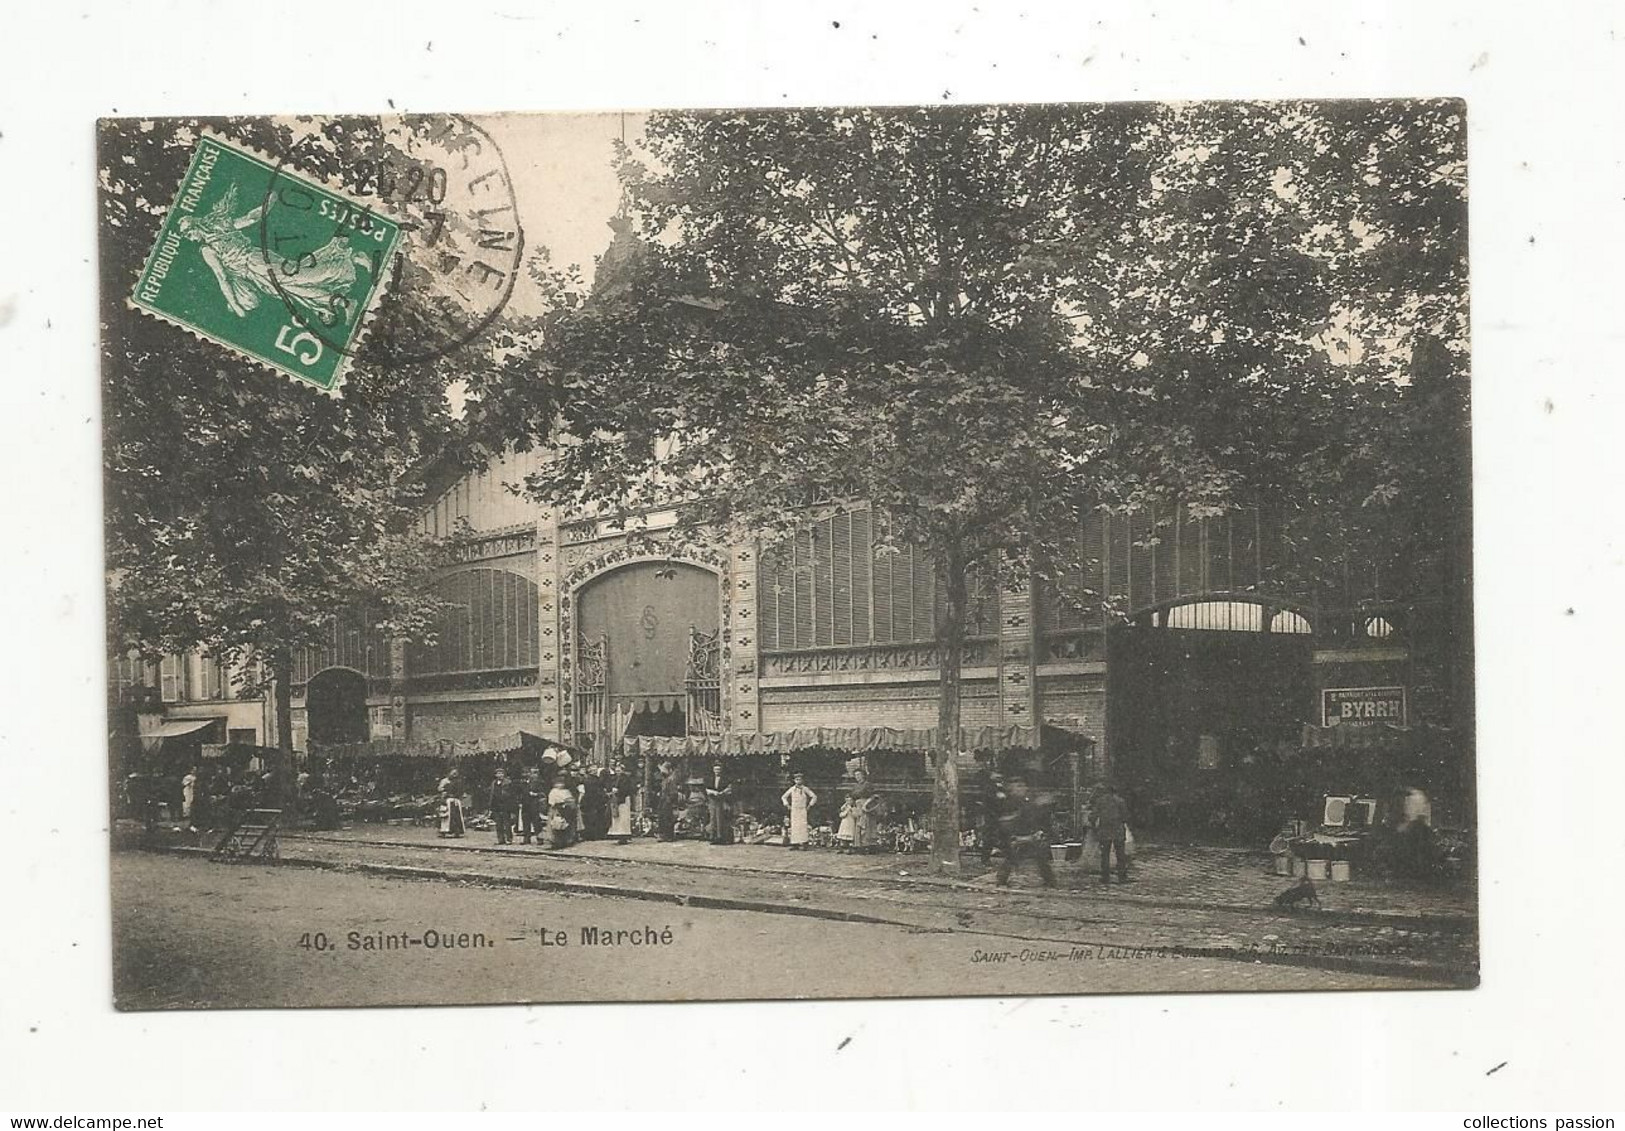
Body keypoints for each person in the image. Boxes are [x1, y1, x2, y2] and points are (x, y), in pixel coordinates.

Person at [993, 775, 1056, 887]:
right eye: (1018, 786)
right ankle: (1001, 879)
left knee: (1040, 857)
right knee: (1011, 857)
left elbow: (1035, 815)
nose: (1022, 789)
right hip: (1014, 834)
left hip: (1029, 832)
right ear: (1011, 789)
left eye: (1022, 786)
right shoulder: (1008, 802)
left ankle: (1050, 880)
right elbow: (1003, 819)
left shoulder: (1028, 800)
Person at [1092, 782, 1131, 883]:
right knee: (1120, 854)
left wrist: (1094, 824)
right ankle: (1122, 877)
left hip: (1104, 830)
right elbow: (1126, 816)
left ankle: (1105, 877)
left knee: (1104, 855)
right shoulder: (1120, 801)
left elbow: (1093, 816)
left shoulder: (1100, 801)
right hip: (1118, 830)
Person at [842, 770, 883, 853]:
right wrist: (846, 804)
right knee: (858, 824)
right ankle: (859, 845)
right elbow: (852, 797)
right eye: (856, 775)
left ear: (863, 775)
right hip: (858, 805)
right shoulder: (855, 786)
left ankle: (868, 845)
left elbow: (873, 796)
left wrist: (866, 805)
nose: (857, 777)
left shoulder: (867, 785)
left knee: (867, 824)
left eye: (859, 775)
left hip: (866, 804)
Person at [781, 773, 819, 849]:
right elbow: (783, 797)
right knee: (795, 826)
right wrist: (787, 805)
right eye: (797, 779)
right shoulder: (792, 789)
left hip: (802, 810)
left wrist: (809, 805)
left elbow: (814, 796)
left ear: (802, 780)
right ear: (794, 780)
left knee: (803, 825)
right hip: (794, 810)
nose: (798, 781)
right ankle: (795, 843)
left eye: (800, 779)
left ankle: (804, 843)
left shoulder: (805, 789)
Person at [705, 762, 735, 845]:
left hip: (721, 800)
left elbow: (729, 788)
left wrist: (723, 792)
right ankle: (713, 837)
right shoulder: (710, 778)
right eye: (715, 769)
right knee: (713, 818)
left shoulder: (725, 779)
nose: (717, 771)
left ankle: (720, 837)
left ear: (721, 770)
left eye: (718, 769)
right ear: (713, 770)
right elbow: (706, 789)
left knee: (720, 818)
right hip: (712, 799)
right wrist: (712, 792)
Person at [545, 775, 578, 849]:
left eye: (562, 783)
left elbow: (571, 800)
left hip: (566, 810)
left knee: (566, 825)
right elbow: (551, 802)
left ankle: (566, 840)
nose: (561, 785)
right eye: (559, 783)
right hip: (556, 810)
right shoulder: (553, 791)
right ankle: (555, 840)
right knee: (555, 825)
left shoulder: (566, 791)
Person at [489, 767, 519, 845]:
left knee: (507, 823)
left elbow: (512, 795)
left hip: (505, 805)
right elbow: (492, 794)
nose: (500, 775)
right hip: (496, 805)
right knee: (498, 824)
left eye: (501, 773)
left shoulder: (508, 782)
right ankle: (500, 839)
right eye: (498, 773)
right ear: (495, 775)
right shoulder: (493, 783)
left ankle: (509, 839)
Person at [607, 762, 636, 843]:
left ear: (623, 770)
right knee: (619, 818)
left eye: (619, 770)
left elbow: (627, 789)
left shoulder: (625, 778)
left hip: (623, 799)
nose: (617, 772)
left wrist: (618, 790)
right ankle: (620, 835)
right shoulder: (617, 778)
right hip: (618, 799)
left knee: (623, 818)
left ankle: (624, 836)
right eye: (616, 770)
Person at [580, 769, 610, 841]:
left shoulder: (587, 779)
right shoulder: (595, 780)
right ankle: (597, 834)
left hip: (590, 800)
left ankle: (591, 835)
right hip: (595, 800)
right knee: (596, 818)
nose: (595, 771)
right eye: (594, 770)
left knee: (591, 818)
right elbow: (597, 790)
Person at [656, 761, 681, 841]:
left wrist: (669, 800)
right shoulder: (664, 779)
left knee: (668, 818)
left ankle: (669, 835)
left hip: (668, 801)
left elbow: (674, 792)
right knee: (662, 818)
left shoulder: (671, 779)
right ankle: (663, 835)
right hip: (663, 800)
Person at [520, 768, 546, 845]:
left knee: (536, 822)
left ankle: (540, 839)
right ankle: (526, 838)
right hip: (525, 804)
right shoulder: (523, 783)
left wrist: (536, 794)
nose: (530, 775)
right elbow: (520, 793)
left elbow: (543, 794)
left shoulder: (538, 782)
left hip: (534, 804)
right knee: (525, 821)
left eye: (533, 773)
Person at [437, 770, 466, 838]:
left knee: (456, 816)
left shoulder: (458, 782)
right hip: (448, 801)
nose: (454, 775)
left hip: (455, 801)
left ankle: (456, 831)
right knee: (446, 815)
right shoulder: (445, 781)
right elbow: (440, 789)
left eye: (455, 774)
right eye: (453, 773)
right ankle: (445, 830)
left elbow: (460, 791)